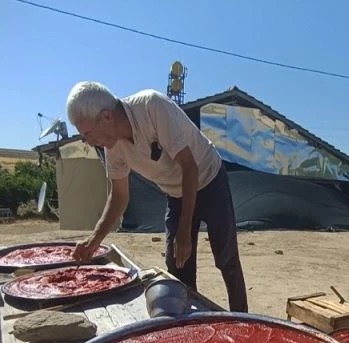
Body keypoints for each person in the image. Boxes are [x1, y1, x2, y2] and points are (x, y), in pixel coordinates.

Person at [67, 81, 248, 312]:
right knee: (177, 266)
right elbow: (119, 196)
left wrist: (185, 233)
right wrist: (94, 241)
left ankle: (243, 319)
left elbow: (190, 167)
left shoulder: (152, 107)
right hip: (175, 193)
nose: (87, 142)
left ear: (107, 117)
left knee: (226, 258)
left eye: (87, 133)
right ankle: (189, 323)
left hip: (209, 178)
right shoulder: (113, 148)